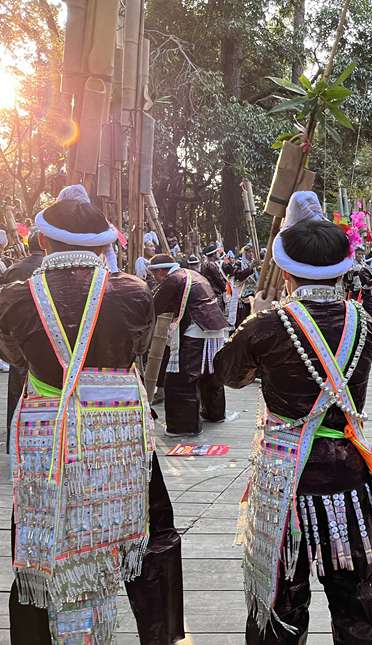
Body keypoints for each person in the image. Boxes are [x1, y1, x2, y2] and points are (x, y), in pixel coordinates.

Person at [214, 191, 372, 645]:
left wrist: (254, 322)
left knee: (278, 609)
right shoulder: (365, 323)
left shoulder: (268, 326)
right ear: (342, 267)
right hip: (348, 481)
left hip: (284, 483)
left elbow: (228, 374)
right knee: (359, 612)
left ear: (287, 268)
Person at [0, 197, 184, 643]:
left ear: (43, 240)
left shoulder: (15, 297)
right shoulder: (133, 292)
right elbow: (136, 347)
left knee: (40, 540)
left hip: (47, 438)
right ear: (104, 245)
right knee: (150, 533)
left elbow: (13, 355)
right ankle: (158, 633)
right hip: (120, 437)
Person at [150, 252, 229, 436]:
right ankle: (214, 414)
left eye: (155, 274)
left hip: (196, 332)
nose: (155, 278)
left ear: (161, 272)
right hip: (215, 330)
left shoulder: (173, 279)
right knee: (210, 375)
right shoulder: (194, 274)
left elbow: (154, 307)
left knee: (181, 380)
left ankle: (184, 427)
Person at [2, 228, 43, 450]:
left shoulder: (14, 270)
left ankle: (14, 441)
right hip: (48, 340)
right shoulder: (54, 269)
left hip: (18, 340)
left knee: (17, 393)